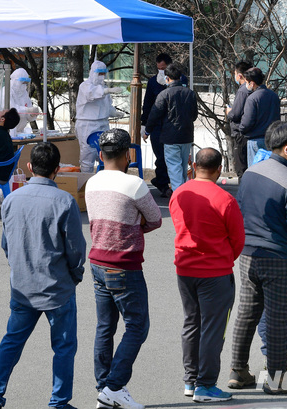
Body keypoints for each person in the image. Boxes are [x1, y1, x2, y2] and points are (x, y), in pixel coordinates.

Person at [0, 142, 87, 409]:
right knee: (63, 347)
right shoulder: (65, 201)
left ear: (30, 167)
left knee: (12, 342)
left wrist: (20, 266)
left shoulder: (12, 199)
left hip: (23, 286)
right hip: (58, 287)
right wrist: (75, 275)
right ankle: (58, 402)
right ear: (57, 170)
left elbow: (7, 244)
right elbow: (75, 249)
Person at [229, 123, 287, 394]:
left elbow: (240, 211)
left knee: (246, 314)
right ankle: (277, 380)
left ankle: (237, 370)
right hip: (281, 257)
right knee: (278, 318)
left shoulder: (251, 173)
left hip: (249, 254)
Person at [85, 129, 162, 409]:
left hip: (97, 262)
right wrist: (136, 226)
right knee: (137, 326)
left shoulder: (92, 183)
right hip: (124, 264)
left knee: (105, 328)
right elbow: (155, 219)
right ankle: (114, 386)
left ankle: (103, 386)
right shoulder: (135, 184)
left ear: (100, 154)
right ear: (127, 155)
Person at [169, 148, 244, 403]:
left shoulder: (179, 193)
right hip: (215, 271)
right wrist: (223, 258)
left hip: (185, 269)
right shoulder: (225, 199)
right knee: (213, 329)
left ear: (193, 166)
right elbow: (237, 240)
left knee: (192, 322)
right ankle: (206, 384)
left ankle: (191, 380)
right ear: (219, 169)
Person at [145, 63, 198, 191]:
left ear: (167, 78)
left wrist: (147, 130)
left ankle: (179, 196)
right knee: (183, 167)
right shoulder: (190, 93)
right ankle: (184, 192)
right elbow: (194, 115)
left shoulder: (164, 94)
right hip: (187, 136)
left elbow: (154, 114)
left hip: (170, 137)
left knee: (174, 168)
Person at [76, 60, 124, 173]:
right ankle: (85, 182)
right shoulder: (85, 86)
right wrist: (108, 90)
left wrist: (114, 112)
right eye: (99, 74)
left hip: (103, 123)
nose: (101, 77)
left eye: (103, 74)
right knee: (88, 155)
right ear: (92, 73)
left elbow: (107, 106)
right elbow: (91, 94)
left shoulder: (104, 88)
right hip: (87, 124)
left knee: (107, 154)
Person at [141, 53, 172, 196]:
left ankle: (164, 182)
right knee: (160, 156)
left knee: (170, 156)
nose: (161, 72)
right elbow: (147, 104)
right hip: (156, 125)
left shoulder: (179, 80)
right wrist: (144, 124)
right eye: (159, 69)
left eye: (164, 69)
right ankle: (162, 183)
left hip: (172, 124)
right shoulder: (153, 82)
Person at [239, 67, 281, 167]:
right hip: (271, 139)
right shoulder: (274, 96)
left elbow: (247, 122)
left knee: (256, 171)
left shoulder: (252, 98)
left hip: (255, 140)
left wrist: (241, 129)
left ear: (252, 83)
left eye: (247, 82)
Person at [226, 61, 253, 178]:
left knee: (241, 168)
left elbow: (235, 114)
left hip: (241, 133)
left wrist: (229, 112)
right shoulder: (254, 90)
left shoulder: (242, 91)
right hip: (251, 133)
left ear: (240, 75)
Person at [0, 68, 40, 137]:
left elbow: (28, 115)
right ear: (15, 81)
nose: (24, 85)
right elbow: (11, 109)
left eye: (25, 83)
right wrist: (27, 110)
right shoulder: (5, 92)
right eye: (22, 82)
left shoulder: (24, 94)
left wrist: (32, 114)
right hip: (6, 131)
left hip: (20, 133)